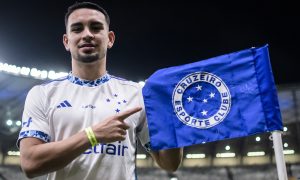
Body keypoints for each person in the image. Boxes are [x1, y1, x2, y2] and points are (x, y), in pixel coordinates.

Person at [17, 1, 183, 180]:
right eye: (77, 29)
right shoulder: (42, 94)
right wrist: (92, 136)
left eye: (96, 28)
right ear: (66, 41)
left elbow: (170, 163)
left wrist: (170, 117)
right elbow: (30, 164)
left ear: (110, 38)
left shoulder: (136, 93)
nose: (87, 34)